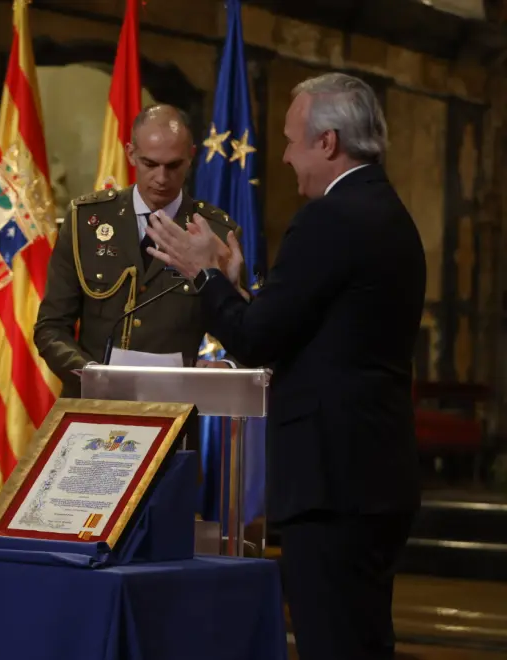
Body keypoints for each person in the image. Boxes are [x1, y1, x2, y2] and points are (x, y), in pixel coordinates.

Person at [145, 73, 425, 659]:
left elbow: (255, 340)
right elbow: (311, 332)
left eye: (293, 140)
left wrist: (203, 275)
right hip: (373, 475)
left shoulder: (331, 218)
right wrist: (236, 287)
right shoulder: (388, 211)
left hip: (332, 483)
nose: (287, 156)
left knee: (336, 645)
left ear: (327, 143)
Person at [34, 104, 244, 400]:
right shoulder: (86, 220)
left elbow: (250, 328)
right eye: (149, 164)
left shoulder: (217, 233)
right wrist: (90, 375)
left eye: (173, 166)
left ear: (191, 158)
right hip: (92, 405)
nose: (161, 177)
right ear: (130, 153)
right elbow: (51, 327)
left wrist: (226, 366)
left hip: (173, 413)